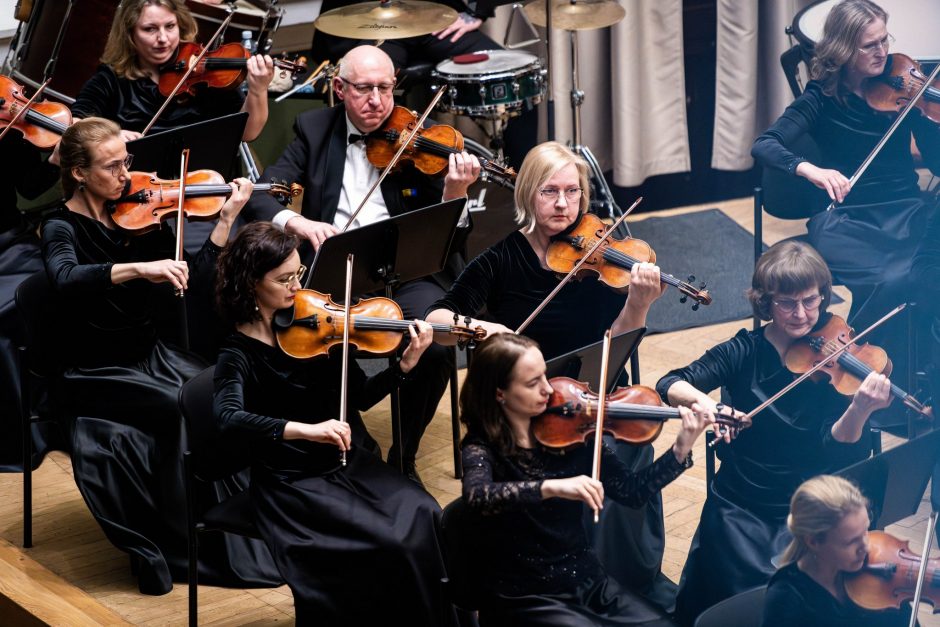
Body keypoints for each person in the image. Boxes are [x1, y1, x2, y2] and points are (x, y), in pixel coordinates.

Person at [426, 140, 676, 608]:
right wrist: (483, 327)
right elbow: (438, 319)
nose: (563, 204)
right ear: (526, 196)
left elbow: (614, 344)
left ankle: (630, 576)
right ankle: (570, 577)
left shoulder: (599, 261)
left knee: (628, 449)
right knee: (578, 457)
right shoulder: (500, 259)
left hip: (580, 399)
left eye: (572, 192)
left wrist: (639, 303)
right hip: (522, 412)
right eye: (548, 192)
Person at [41, 117, 279, 594]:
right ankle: (180, 539)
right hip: (93, 368)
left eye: (126, 161)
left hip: (151, 355)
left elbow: (189, 279)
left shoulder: (141, 212)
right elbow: (64, 277)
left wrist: (227, 220)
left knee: (226, 389)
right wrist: (138, 268)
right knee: (183, 409)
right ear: (80, 174)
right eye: (111, 167)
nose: (126, 175)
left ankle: (246, 519)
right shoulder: (57, 224)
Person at [244, 44, 481, 485]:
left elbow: (449, 235)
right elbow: (262, 193)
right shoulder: (314, 129)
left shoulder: (419, 139)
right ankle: (347, 444)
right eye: (364, 89)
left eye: (385, 88)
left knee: (434, 343)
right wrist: (299, 221)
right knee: (307, 337)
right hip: (336, 270)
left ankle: (404, 455)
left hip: (407, 272)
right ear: (339, 88)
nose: (376, 100)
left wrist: (455, 194)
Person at [212, 221, 451, 625]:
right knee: (390, 543)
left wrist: (405, 367)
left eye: (299, 274)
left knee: (425, 510)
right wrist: (306, 429)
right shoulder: (237, 354)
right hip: (292, 484)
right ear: (252, 283)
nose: (296, 287)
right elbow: (227, 417)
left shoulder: (319, 327)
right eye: (284, 279)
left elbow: (359, 396)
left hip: (342, 464)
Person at [656, 239, 892, 625]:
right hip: (741, 509)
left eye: (811, 301)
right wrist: (711, 406)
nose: (801, 314)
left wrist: (861, 408)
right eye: (787, 303)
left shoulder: (837, 364)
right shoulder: (743, 352)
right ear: (766, 302)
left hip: (811, 512)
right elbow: (670, 382)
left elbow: (838, 453)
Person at [751, 0, 940, 429]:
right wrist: (813, 170)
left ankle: (922, 381)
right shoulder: (821, 98)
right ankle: (871, 389)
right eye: (869, 45)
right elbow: (765, 144)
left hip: (907, 212)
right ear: (843, 50)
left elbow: (935, 160)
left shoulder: (904, 91)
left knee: (929, 272)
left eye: (884, 41)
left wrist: (931, 120)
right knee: (893, 279)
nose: (882, 52)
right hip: (849, 220)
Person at [458, 332, 713, 626]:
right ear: (499, 393)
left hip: (586, 579)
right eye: (532, 383)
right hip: (527, 594)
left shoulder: (572, 428)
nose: (547, 389)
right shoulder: (482, 446)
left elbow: (631, 492)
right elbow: (478, 497)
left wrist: (680, 449)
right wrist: (551, 488)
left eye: (545, 376)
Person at [310, 0, 537, 169]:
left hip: (435, 22)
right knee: (368, 89)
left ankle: (522, 188)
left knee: (519, 80)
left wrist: (479, 9)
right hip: (374, 25)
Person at [70, 0, 274, 140]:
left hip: (201, 183)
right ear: (130, 34)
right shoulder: (111, 79)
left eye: (170, 26)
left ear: (180, 25)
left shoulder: (202, 73)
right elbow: (75, 124)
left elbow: (247, 132)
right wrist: (111, 135)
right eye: (150, 29)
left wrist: (258, 90)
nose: (163, 38)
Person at [762, 474, 912, 627]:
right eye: (851, 542)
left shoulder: (875, 570)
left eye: (866, 531)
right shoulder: (787, 601)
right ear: (814, 542)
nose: (866, 547)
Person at [0, 133, 61, 469]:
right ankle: (18, 437)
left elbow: (30, 188)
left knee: (51, 287)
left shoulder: (10, 124)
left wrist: (53, 161)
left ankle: (59, 420)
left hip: (11, 244)